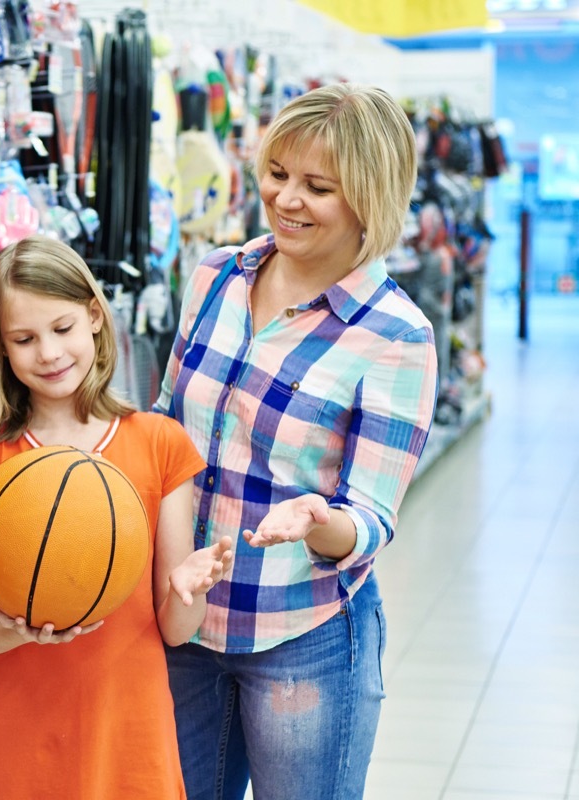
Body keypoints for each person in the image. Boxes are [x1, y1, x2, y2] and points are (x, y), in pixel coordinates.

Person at [154, 83, 439, 799]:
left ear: (369, 198)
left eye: (318, 187)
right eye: (278, 174)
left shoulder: (394, 335)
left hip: (302, 635)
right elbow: (167, 425)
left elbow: (371, 520)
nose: (285, 199)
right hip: (183, 622)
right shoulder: (217, 275)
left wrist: (322, 521)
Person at [0, 235, 234, 799]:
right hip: (23, 736)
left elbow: (174, 628)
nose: (48, 353)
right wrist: (16, 627)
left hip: (130, 733)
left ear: (95, 318)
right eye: (23, 339)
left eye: (62, 328)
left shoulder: (158, 443)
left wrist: (190, 590)